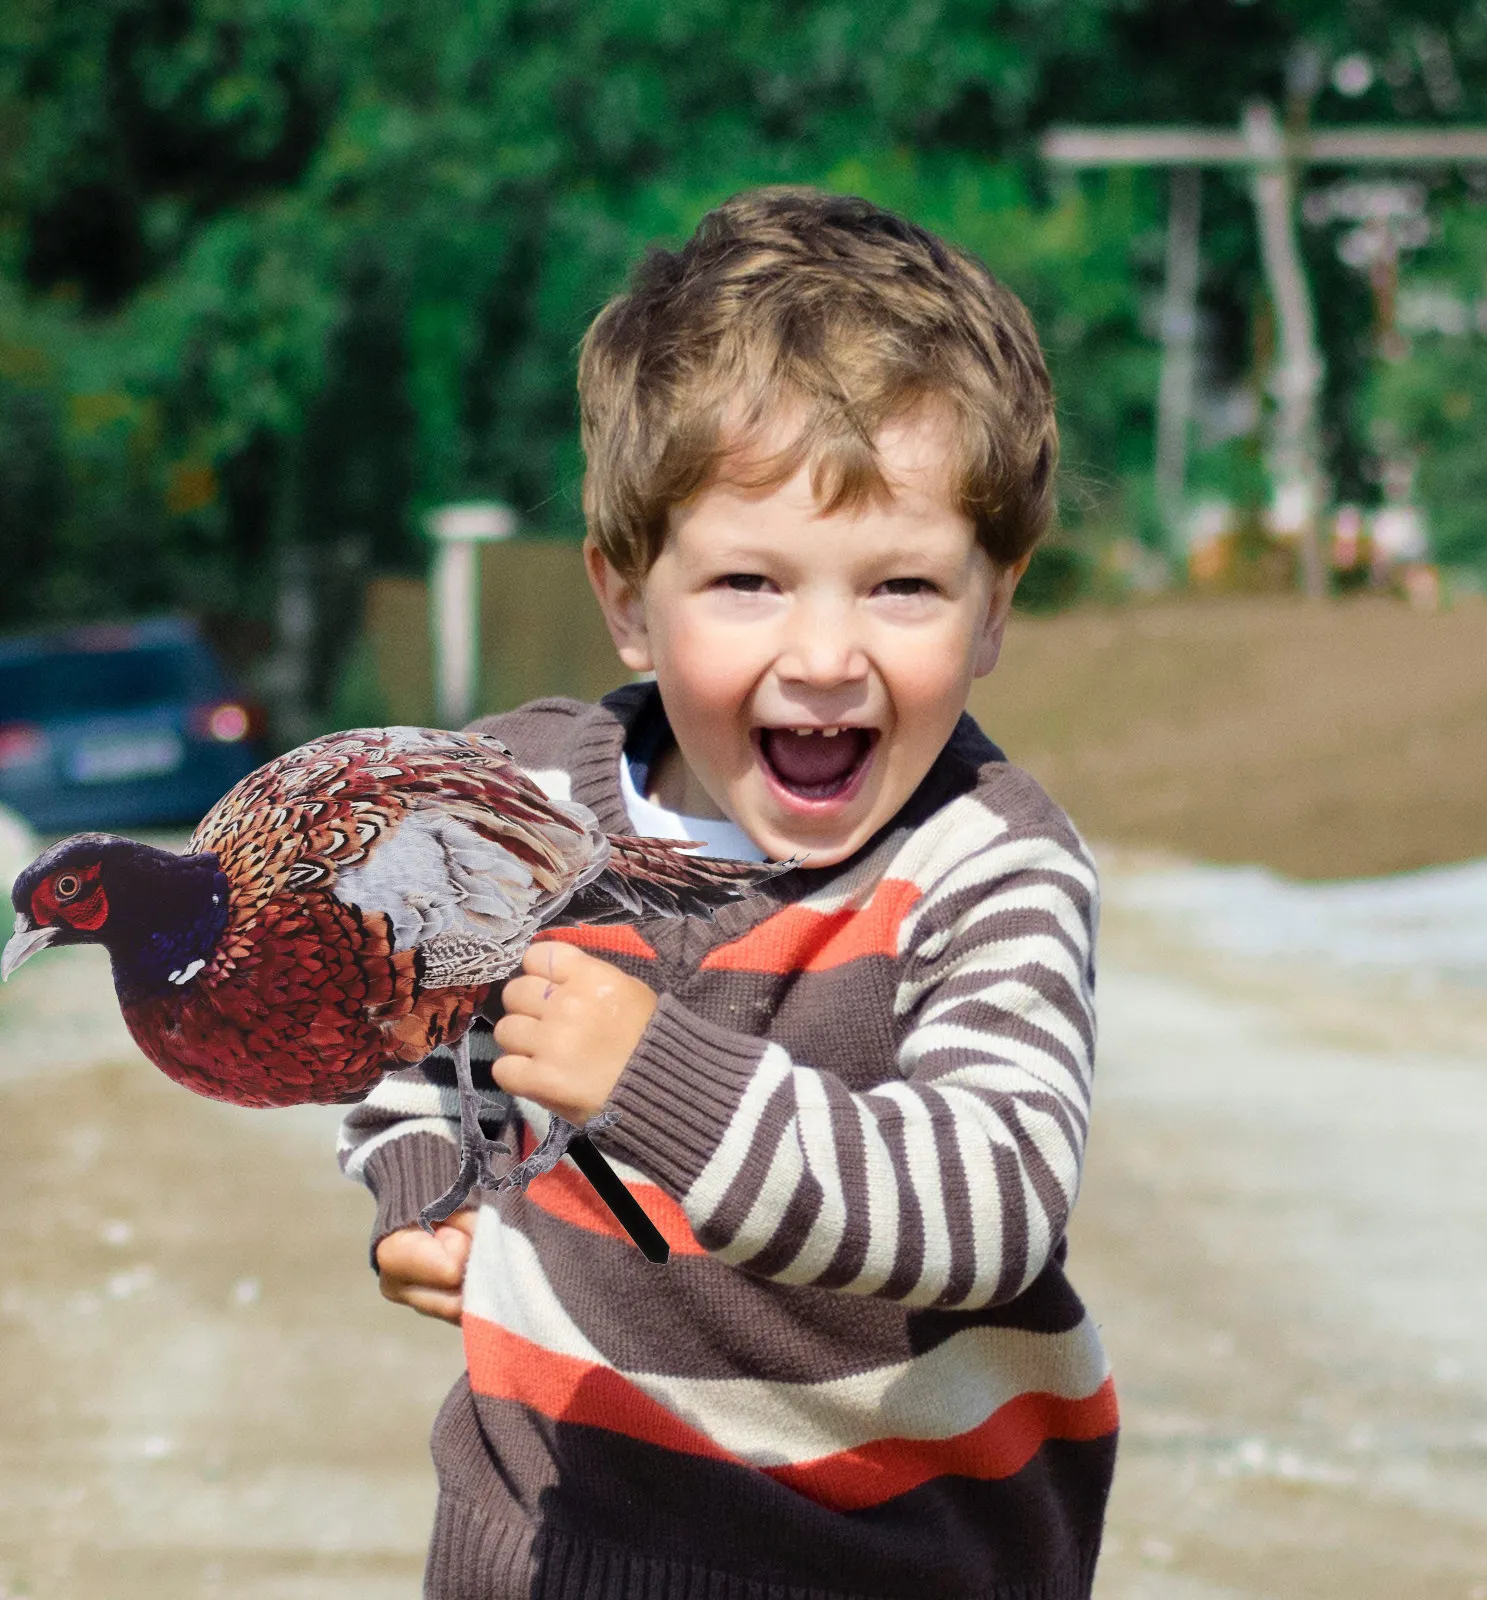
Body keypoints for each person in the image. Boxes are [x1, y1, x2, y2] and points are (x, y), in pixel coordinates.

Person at [340, 186, 1116, 1600]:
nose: (825, 655)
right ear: (630, 598)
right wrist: (420, 1189)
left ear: (996, 604)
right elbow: (402, 1019)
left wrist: (651, 1071)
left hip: (893, 1563)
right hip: (547, 1548)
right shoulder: (520, 811)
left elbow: (990, 1206)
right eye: (750, 582)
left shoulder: (987, 867)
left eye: (902, 588)